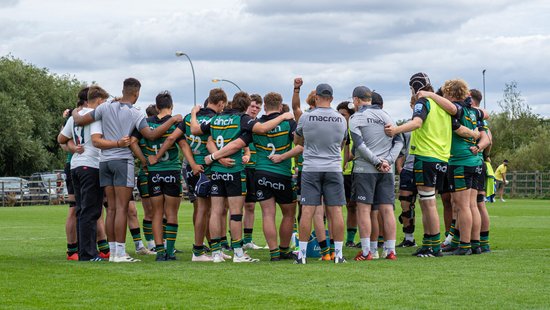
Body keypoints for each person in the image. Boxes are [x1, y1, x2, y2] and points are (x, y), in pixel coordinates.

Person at [72, 78, 182, 263]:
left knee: (112, 209)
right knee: (123, 208)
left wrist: (75, 110)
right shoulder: (136, 113)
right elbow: (152, 134)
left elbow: (81, 120)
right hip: (122, 160)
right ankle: (120, 253)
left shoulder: (105, 107)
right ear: (136, 93)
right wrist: (172, 120)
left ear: (123, 90)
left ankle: (113, 251)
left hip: (104, 161)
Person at [191, 91, 292, 263]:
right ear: (246, 106)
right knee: (236, 213)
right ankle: (238, 253)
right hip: (234, 170)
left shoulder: (215, 119)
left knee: (215, 211)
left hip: (216, 170)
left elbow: (199, 133)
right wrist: (283, 117)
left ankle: (216, 253)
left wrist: (194, 114)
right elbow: (259, 130)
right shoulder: (242, 119)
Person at [384, 73, 457, 257]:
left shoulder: (422, 102)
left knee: (428, 204)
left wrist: (395, 130)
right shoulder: (441, 105)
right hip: (442, 158)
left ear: (414, 88)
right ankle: (429, 243)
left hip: (426, 156)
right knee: (429, 202)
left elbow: (417, 123)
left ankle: (432, 246)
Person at [150, 89, 227, 262]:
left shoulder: (188, 118)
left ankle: (213, 249)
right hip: (208, 167)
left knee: (202, 209)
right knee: (208, 210)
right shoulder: (216, 120)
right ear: (220, 104)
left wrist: (188, 162)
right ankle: (199, 251)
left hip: (192, 168)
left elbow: (173, 140)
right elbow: (210, 143)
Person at [294, 83, 348, 264]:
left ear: (316, 97)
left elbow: (298, 140)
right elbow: (341, 144)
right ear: (331, 98)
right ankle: (338, 255)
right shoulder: (341, 119)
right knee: (336, 211)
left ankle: (301, 255)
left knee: (307, 211)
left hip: (311, 168)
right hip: (333, 167)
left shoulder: (306, 117)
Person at [349, 86, 403, 261]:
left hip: (365, 169)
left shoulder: (356, 117)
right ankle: (390, 251)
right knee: (387, 210)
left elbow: (359, 144)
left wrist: (377, 161)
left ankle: (367, 252)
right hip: (387, 170)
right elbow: (399, 141)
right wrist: (388, 161)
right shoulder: (386, 115)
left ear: (356, 100)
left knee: (364, 210)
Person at [58, 85, 109, 261]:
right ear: (99, 100)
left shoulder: (75, 117)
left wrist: (73, 147)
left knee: (81, 210)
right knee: (91, 211)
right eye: (105, 101)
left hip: (76, 166)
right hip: (91, 165)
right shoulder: (94, 117)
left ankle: (81, 251)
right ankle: (89, 253)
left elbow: (61, 139)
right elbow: (96, 141)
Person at [137, 91, 183, 261]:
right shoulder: (176, 123)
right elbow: (183, 145)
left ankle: (159, 252)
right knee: (171, 213)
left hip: (153, 172)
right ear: (172, 106)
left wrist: (144, 161)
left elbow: (133, 142)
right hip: (171, 170)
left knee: (156, 213)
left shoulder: (145, 123)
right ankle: (170, 252)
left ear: (156, 107)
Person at [242, 94, 264, 250]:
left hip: (256, 169)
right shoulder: (241, 122)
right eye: (253, 106)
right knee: (233, 206)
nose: (255, 109)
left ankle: (248, 240)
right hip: (241, 168)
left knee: (250, 206)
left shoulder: (260, 125)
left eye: (258, 107)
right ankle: (231, 240)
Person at [336, 101, 357, 248]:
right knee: (332, 207)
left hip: (351, 173)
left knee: (352, 207)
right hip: (335, 172)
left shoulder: (356, 130)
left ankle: (350, 239)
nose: (341, 117)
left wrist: (348, 158)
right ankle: (329, 239)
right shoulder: (335, 129)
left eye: (343, 115)